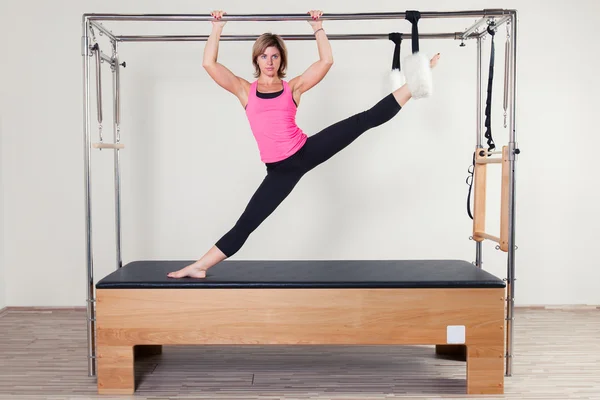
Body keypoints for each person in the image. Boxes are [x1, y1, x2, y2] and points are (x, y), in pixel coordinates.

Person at [168, 10, 440, 279]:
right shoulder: (244, 90)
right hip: (280, 171)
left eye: (274, 56)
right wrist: (217, 29)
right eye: (264, 56)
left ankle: (414, 83)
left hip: (305, 151)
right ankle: (199, 265)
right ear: (256, 59)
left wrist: (317, 27)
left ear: (281, 59)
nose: (269, 61)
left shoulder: (293, 88)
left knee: (362, 121)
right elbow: (209, 64)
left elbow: (326, 61)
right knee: (246, 225)